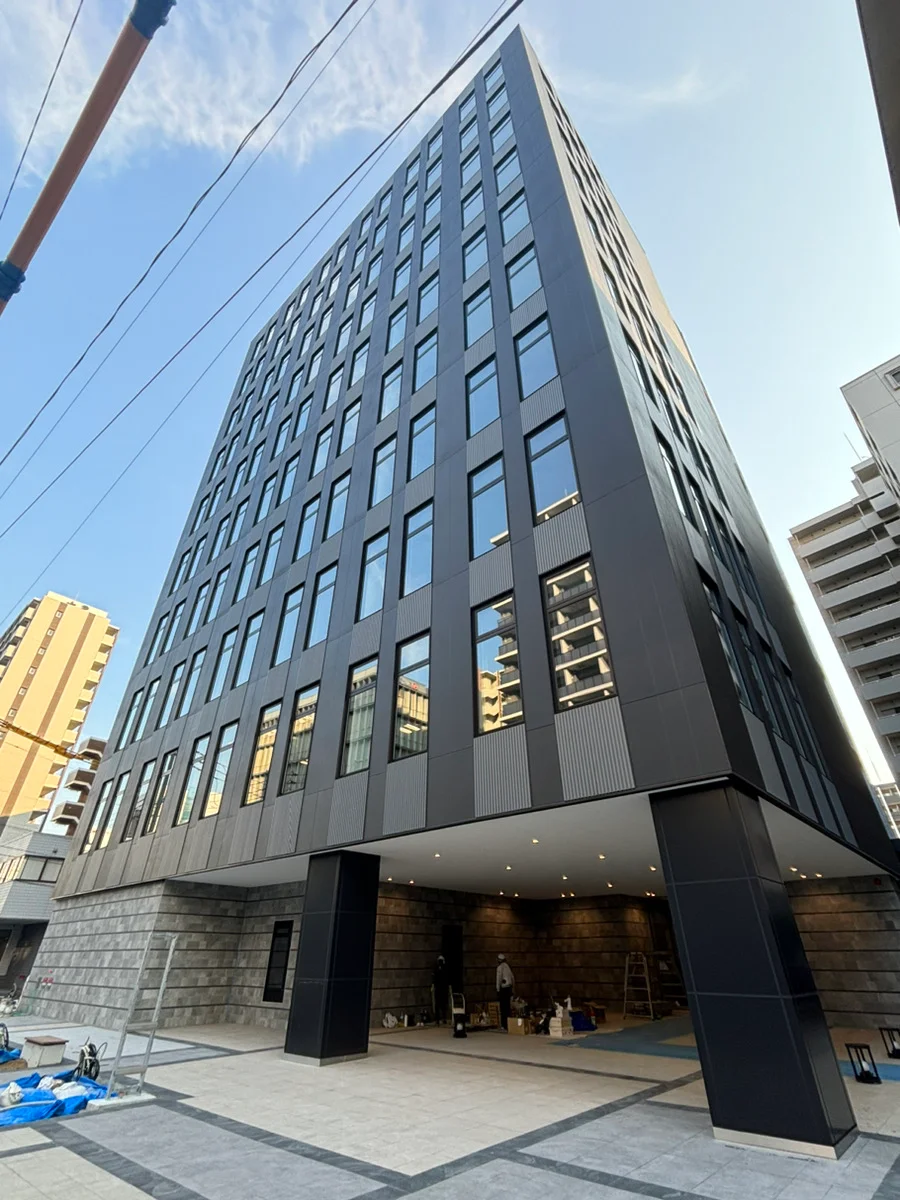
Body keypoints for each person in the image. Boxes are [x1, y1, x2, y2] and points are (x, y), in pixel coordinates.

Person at [496, 953, 515, 1031]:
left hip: (503, 989)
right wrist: (513, 988)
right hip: (509, 988)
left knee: (503, 1008)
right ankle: (508, 1024)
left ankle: (504, 1024)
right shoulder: (507, 967)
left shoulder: (499, 967)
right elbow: (512, 977)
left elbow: (498, 979)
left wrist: (498, 989)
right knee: (508, 1007)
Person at [432, 954, 450, 1024]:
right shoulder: (438, 969)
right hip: (440, 989)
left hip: (442, 988)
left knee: (442, 1005)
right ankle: (439, 1019)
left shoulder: (443, 969)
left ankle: (442, 1018)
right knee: (439, 1005)